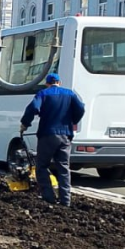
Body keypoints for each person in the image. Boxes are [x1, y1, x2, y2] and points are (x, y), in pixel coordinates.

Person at [20, 73, 85, 208]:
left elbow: (33, 108)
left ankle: (49, 197)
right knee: (63, 168)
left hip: (47, 134)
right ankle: (65, 200)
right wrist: (73, 120)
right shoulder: (70, 94)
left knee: (42, 166)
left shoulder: (43, 94)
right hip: (65, 135)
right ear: (59, 82)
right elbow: (81, 108)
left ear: (47, 83)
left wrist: (25, 124)